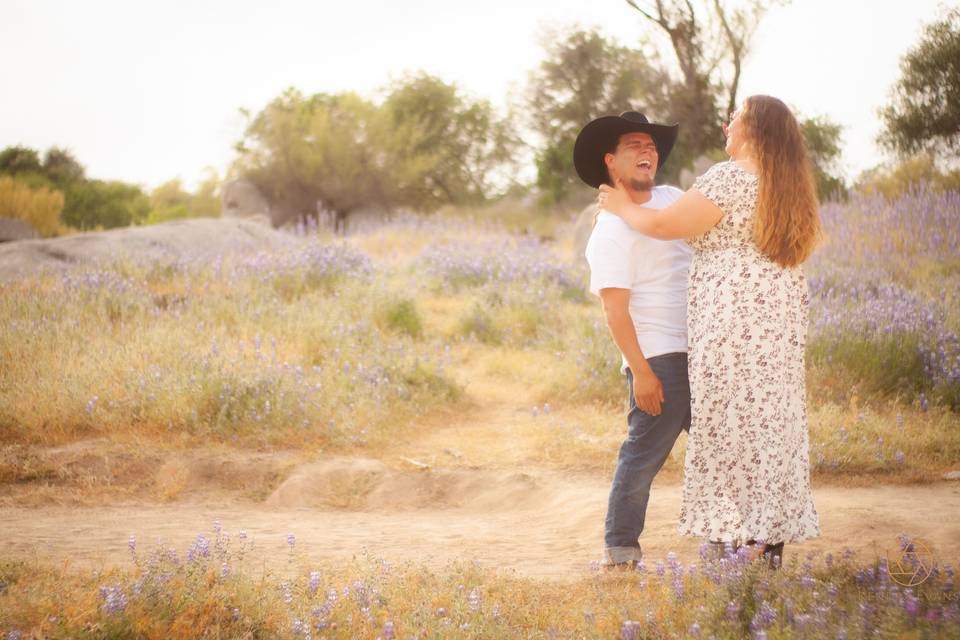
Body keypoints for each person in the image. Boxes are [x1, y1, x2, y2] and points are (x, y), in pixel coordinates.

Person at [596, 95, 822, 566]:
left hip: (732, 327)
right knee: (762, 433)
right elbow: (616, 301)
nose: (726, 125)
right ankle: (760, 547)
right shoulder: (787, 184)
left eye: (735, 118)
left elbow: (660, 225)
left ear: (754, 129)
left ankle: (734, 547)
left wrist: (622, 205)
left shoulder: (722, 180)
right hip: (769, 327)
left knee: (729, 436)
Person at [575, 111, 692, 568]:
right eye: (634, 147)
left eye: (651, 146)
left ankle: (737, 544)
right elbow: (614, 310)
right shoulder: (608, 230)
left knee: (723, 451)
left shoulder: (673, 198)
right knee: (642, 458)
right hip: (659, 356)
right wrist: (641, 372)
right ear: (611, 161)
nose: (648, 152)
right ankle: (620, 550)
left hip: (704, 350)